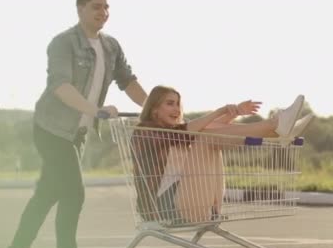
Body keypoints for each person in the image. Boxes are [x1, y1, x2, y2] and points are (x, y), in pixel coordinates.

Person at [5, 0, 148, 248]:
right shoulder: (63, 43)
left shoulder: (111, 47)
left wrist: (155, 109)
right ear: (80, 9)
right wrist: (95, 110)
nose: (103, 12)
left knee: (48, 194)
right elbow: (61, 86)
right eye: (97, 6)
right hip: (51, 129)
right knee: (74, 193)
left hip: (78, 133)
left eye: (107, 7)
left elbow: (129, 81)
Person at [131, 85, 314, 224]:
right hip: (163, 209)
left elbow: (206, 127)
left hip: (191, 199)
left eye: (178, 104)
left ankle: (279, 130)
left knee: (208, 135)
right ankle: (276, 127)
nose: (176, 109)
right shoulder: (144, 132)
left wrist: (234, 113)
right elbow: (189, 130)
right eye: (170, 104)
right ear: (154, 108)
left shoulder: (176, 132)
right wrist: (220, 110)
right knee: (205, 138)